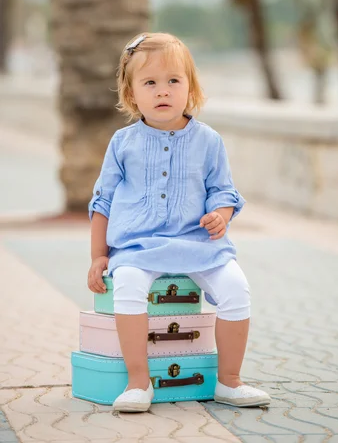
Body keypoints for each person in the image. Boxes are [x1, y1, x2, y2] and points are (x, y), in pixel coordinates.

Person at [87, 32, 271, 412]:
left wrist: (221, 216)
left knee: (237, 288)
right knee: (128, 285)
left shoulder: (209, 141)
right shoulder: (123, 143)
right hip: (139, 247)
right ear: (131, 93)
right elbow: (102, 203)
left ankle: (229, 380)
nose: (163, 91)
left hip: (199, 244)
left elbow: (223, 191)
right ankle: (139, 382)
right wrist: (97, 256)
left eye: (174, 80)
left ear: (191, 87)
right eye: (150, 83)